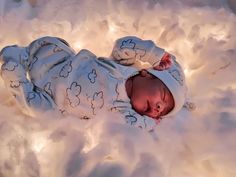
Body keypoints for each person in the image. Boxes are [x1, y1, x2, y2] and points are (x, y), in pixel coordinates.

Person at [0, 36, 186, 131]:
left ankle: (16, 80)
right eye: (162, 96)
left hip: (53, 101)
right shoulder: (123, 66)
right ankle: (22, 55)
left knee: (40, 112)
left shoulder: (123, 110)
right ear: (147, 74)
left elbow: (137, 125)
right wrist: (156, 54)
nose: (158, 107)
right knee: (52, 44)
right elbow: (124, 45)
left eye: (161, 111)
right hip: (61, 63)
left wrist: (153, 122)